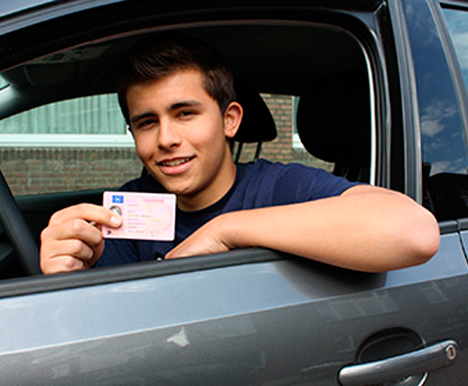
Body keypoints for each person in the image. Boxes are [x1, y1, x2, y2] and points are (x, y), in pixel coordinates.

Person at [40, 32, 440, 275]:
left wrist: (223, 231)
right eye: (147, 122)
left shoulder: (279, 186)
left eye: (185, 113)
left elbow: (414, 232)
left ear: (229, 120)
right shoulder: (131, 210)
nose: (165, 138)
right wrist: (65, 273)